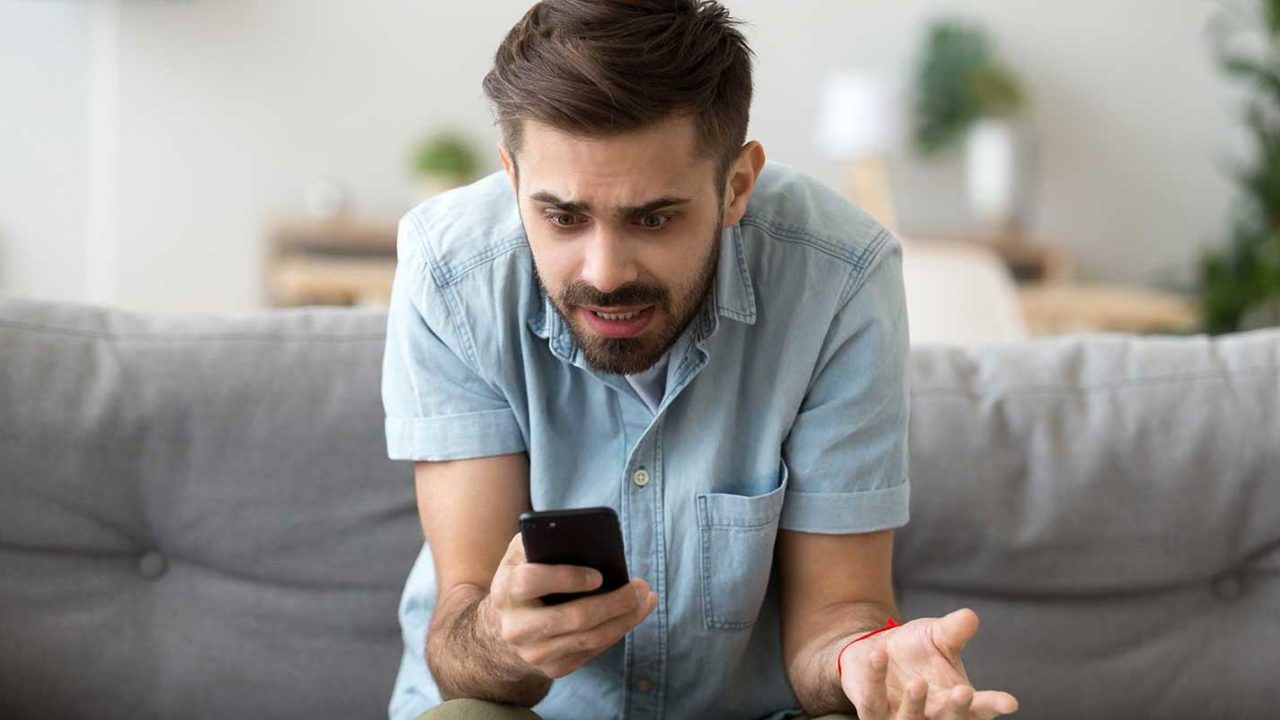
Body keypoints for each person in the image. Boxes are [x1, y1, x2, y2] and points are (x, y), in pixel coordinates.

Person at [381, 1, 1021, 718]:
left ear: (736, 186)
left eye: (653, 217)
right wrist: (503, 639)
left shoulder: (840, 277)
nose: (607, 272)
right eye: (562, 216)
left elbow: (839, 614)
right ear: (511, 177)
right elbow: (460, 644)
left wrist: (862, 662)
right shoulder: (449, 273)